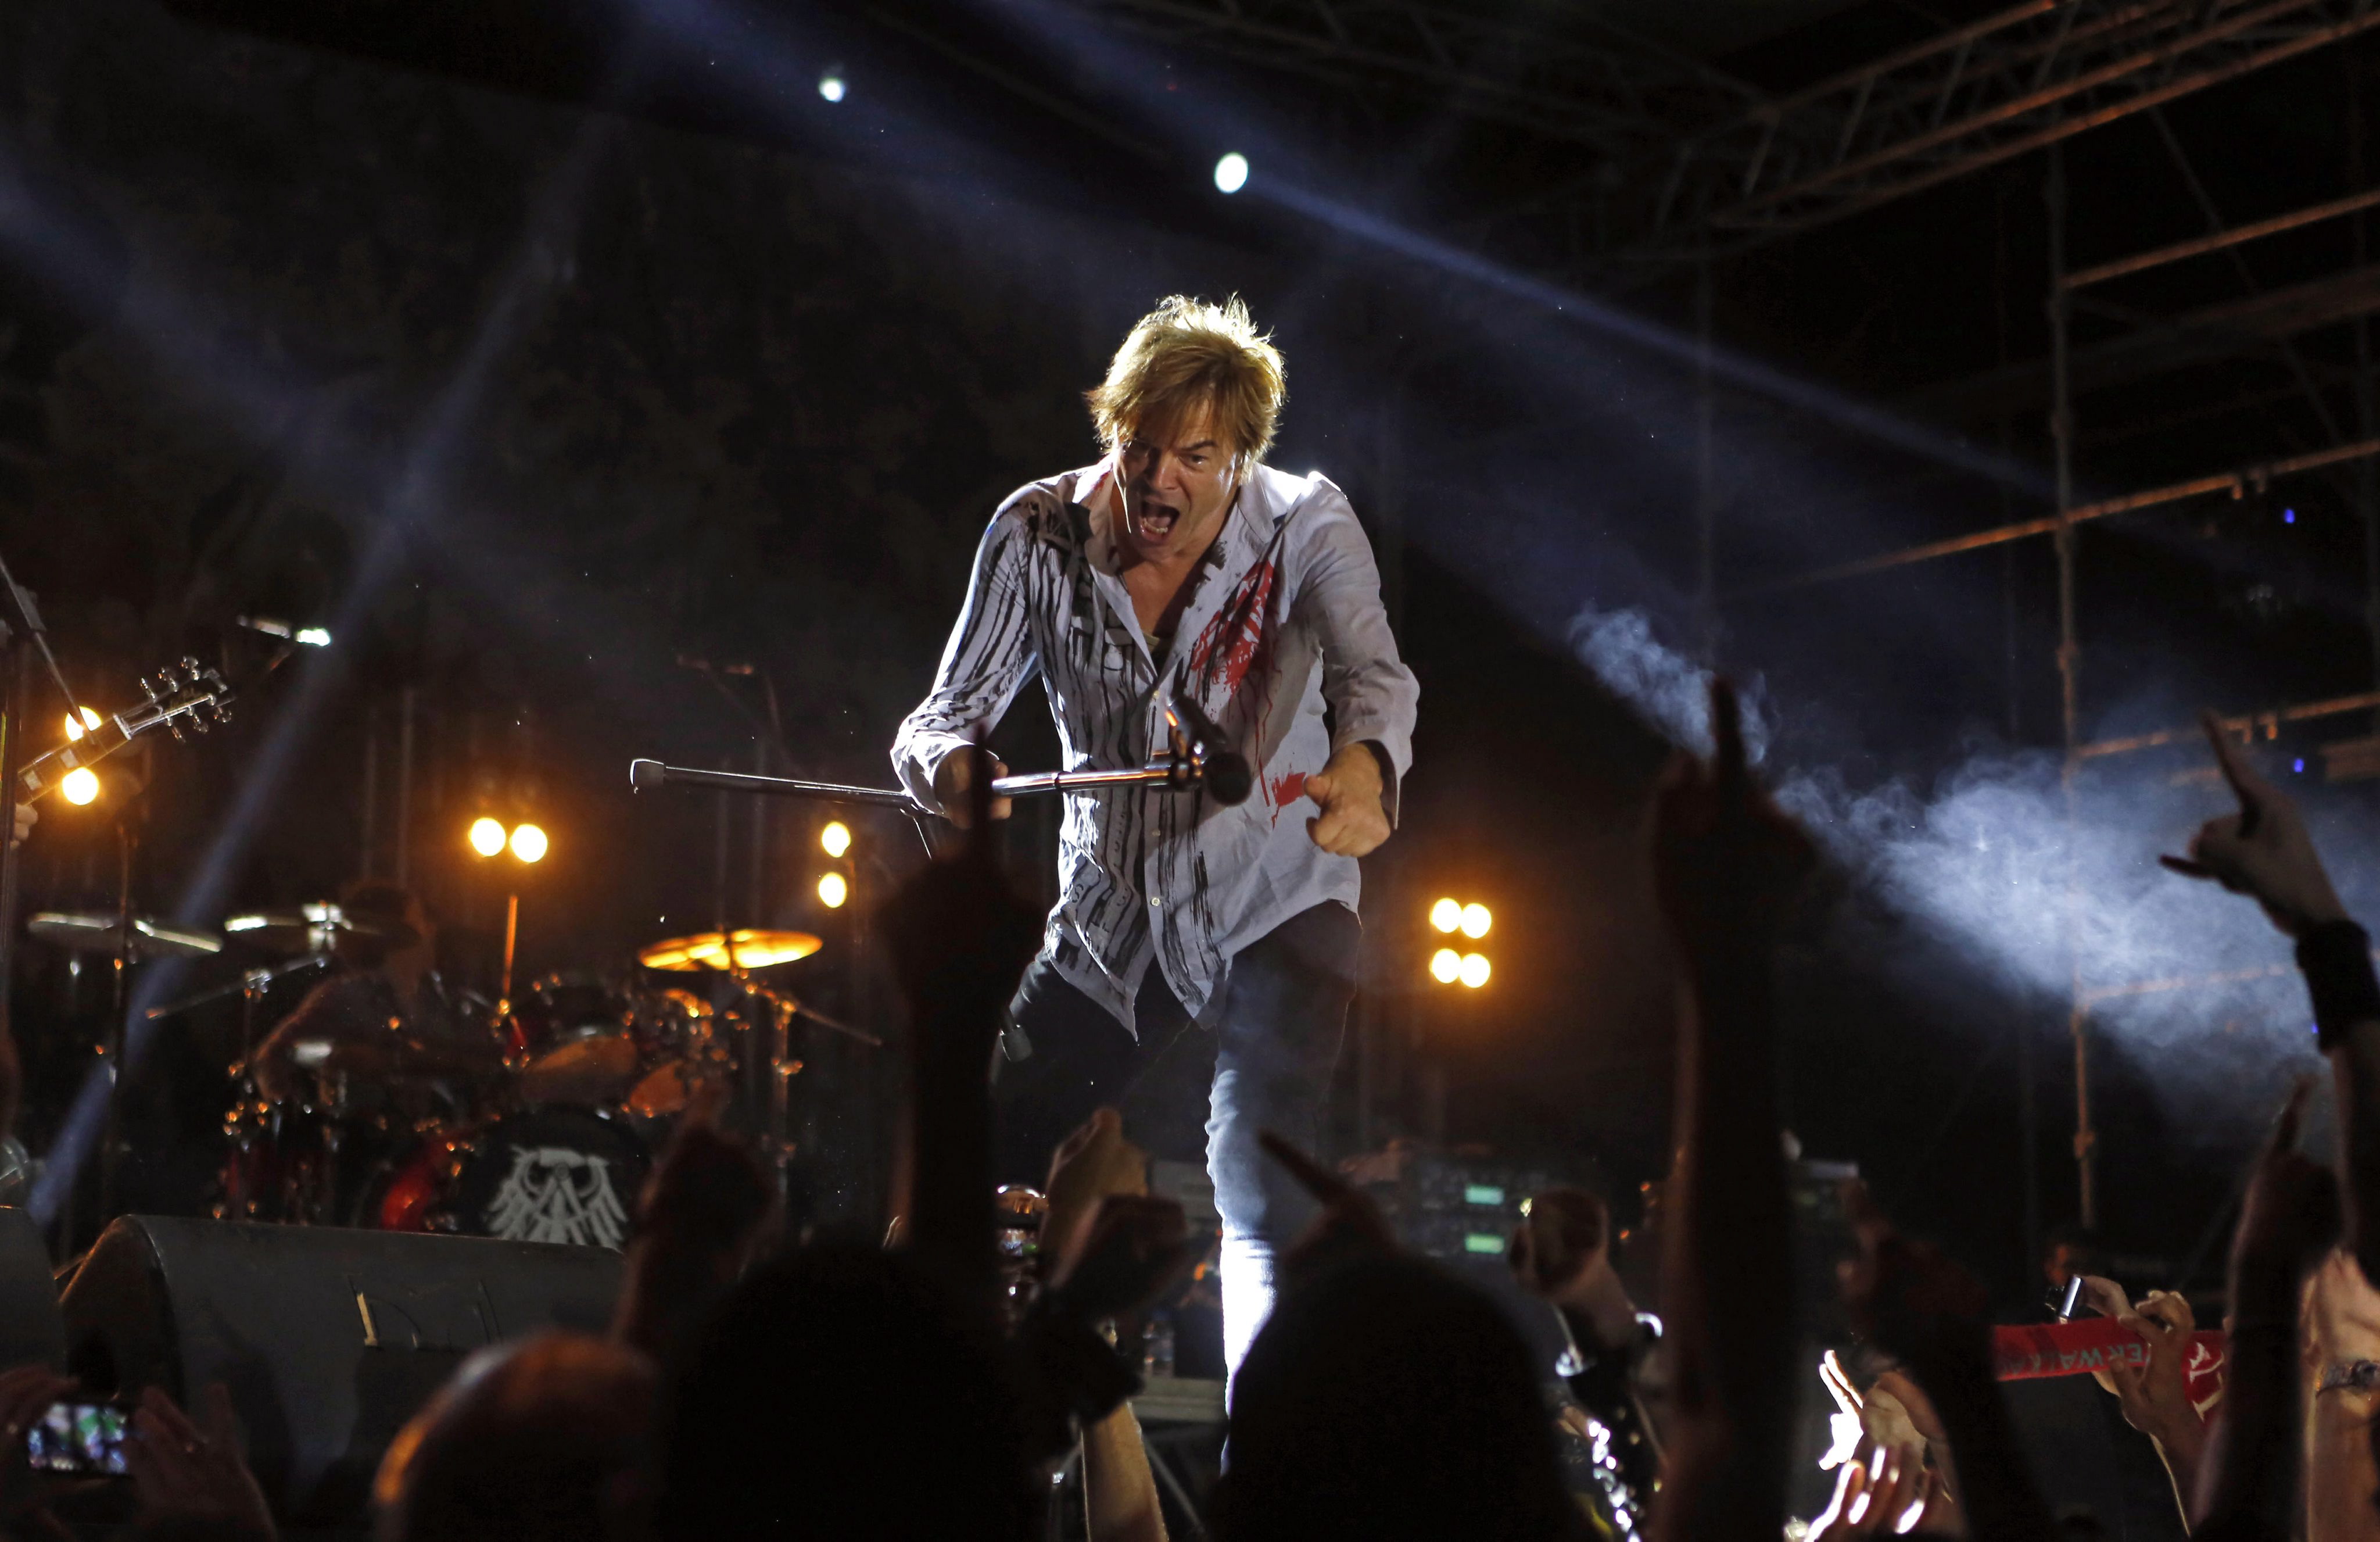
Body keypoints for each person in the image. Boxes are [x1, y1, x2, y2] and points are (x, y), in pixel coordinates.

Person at [891, 294, 1418, 1376]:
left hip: (1280, 892)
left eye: (1194, 456)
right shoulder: (1036, 530)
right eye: (1139, 447)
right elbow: (942, 717)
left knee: (1261, 1178)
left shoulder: (1308, 522)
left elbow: (1375, 677)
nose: (1156, 480)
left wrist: (1367, 767)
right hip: (1114, 912)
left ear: (1241, 459)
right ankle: (915, 1397)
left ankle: (1263, 1442)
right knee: (978, 1147)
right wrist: (950, 768)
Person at [249, 881, 487, 1104]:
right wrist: (298, 1117)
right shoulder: (346, 995)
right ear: (389, 932)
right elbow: (272, 1057)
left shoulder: (439, 1000)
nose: (432, 930)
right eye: (421, 919)